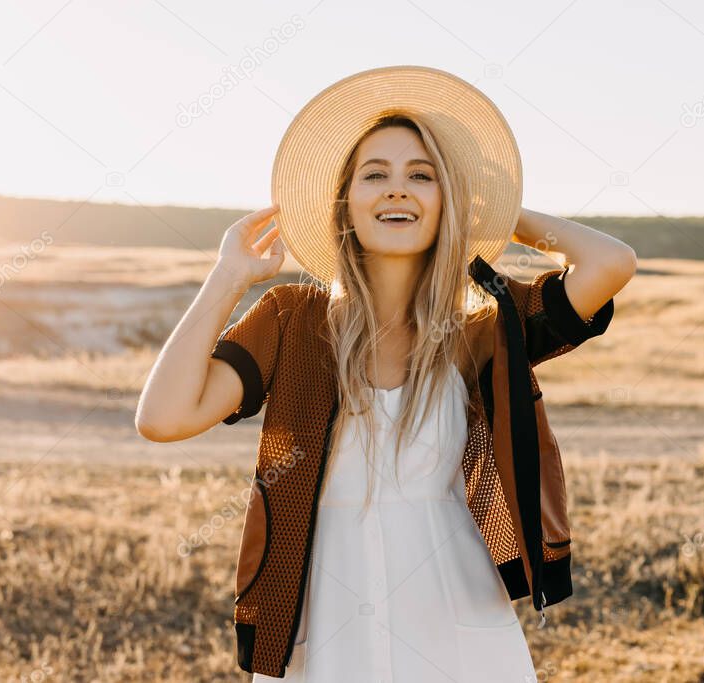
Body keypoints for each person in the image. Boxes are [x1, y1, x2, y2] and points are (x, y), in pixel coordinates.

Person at [137, 66, 637, 681]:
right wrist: (228, 277)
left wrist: (495, 211)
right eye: (375, 175)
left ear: (446, 200)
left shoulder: (481, 330)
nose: (397, 190)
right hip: (329, 631)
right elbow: (161, 418)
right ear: (345, 203)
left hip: (461, 630)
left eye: (421, 177)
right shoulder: (292, 322)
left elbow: (611, 262)